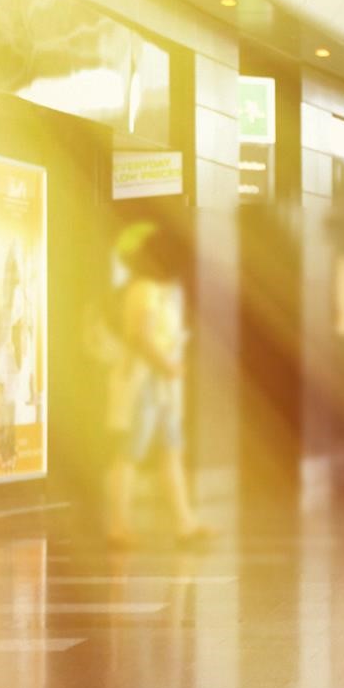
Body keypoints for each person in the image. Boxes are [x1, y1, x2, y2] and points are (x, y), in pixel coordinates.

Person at [104, 225, 209, 548]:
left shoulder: (161, 290)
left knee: (171, 450)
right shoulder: (145, 290)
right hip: (143, 384)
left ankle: (185, 524)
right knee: (129, 451)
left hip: (161, 386)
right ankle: (118, 526)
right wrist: (169, 366)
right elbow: (142, 337)